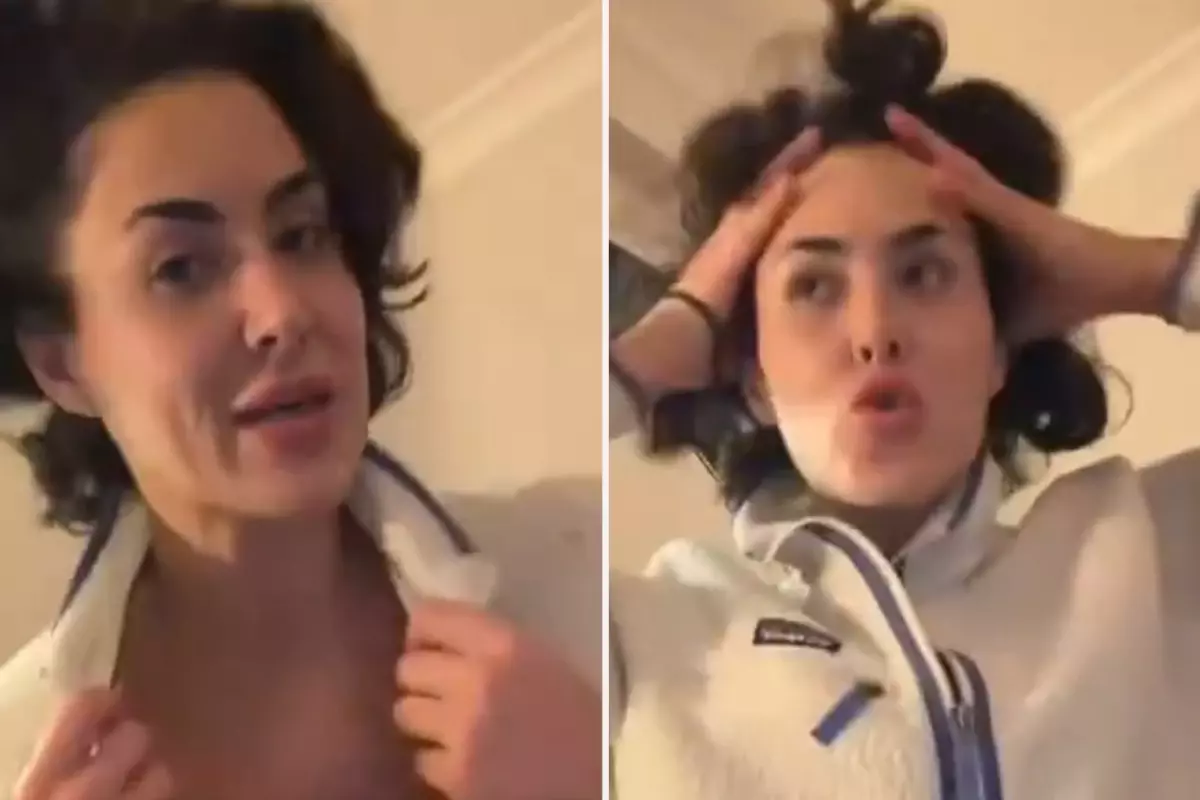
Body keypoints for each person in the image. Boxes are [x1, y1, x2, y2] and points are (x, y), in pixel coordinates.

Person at [0, 2, 601, 799]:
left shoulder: (581, 571)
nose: (282, 311)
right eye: (181, 268)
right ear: (61, 363)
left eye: (301, 235)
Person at [609, 1, 1200, 798]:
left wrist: (1155, 275)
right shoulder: (642, 640)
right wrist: (648, 356)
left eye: (923, 274)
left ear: (999, 345)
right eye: (814, 286)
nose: (875, 331)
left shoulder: (1159, 555)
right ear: (754, 377)